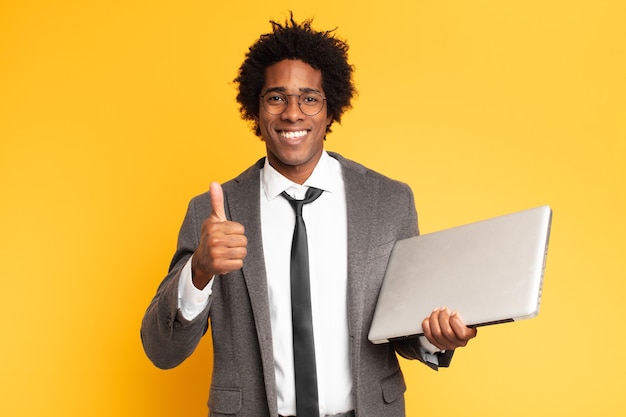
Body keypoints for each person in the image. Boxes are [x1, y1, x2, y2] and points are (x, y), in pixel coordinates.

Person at [141, 15, 477, 417]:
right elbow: (162, 350)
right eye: (277, 97)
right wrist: (199, 271)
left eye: (309, 98)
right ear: (257, 108)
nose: (293, 113)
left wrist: (436, 337)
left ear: (330, 108)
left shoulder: (389, 202)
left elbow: (404, 330)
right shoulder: (212, 211)